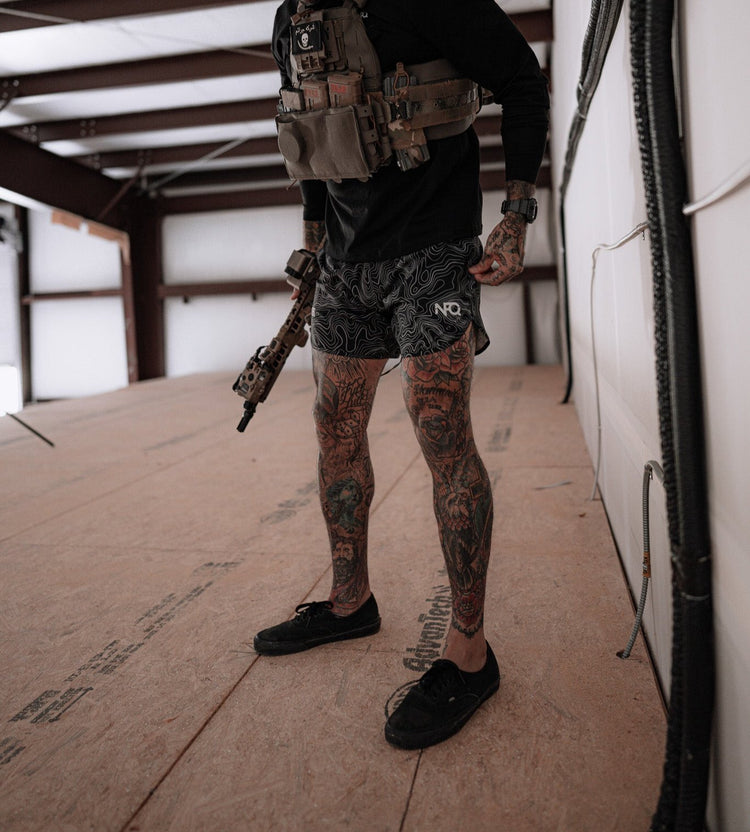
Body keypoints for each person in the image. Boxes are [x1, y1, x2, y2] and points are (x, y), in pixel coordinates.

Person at [254, 0, 549, 749]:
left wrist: (516, 214)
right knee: (335, 425)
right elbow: (308, 132)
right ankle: (350, 602)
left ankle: (470, 652)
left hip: (434, 247)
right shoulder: (292, 18)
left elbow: (522, 79)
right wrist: (312, 243)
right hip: (345, 263)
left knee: (439, 425)